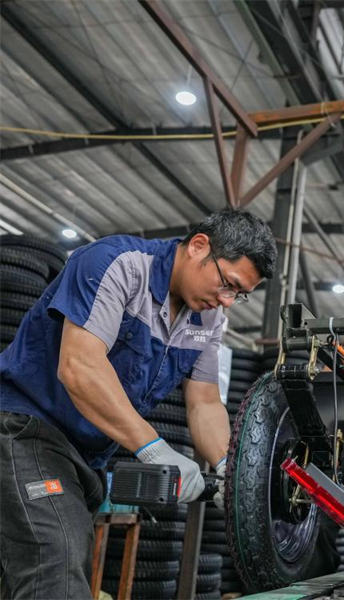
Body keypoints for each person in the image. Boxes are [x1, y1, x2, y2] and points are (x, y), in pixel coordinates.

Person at [0, 208, 276, 599]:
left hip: (87, 456)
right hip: (25, 430)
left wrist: (231, 470)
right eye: (228, 284)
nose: (228, 302)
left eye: (239, 295)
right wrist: (153, 447)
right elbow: (79, 366)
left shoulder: (209, 321)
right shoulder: (118, 265)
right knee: (56, 565)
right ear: (199, 247)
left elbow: (204, 402)